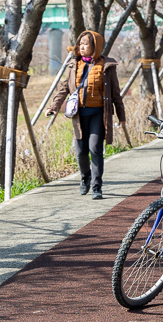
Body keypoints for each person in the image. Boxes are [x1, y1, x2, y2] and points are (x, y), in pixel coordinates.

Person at [46, 31, 125, 200]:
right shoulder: (74, 64)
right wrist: (54, 106)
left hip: (98, 114)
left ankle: (97, 186)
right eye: (80, 43)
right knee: (81, 151)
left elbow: (116, 94)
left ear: (95, 46)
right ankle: (85, 177)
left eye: (86, 44)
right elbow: (64, 88)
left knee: (95, 149)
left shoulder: (106, 66)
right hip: (79, 115)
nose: (82, 47)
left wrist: (121, 117)